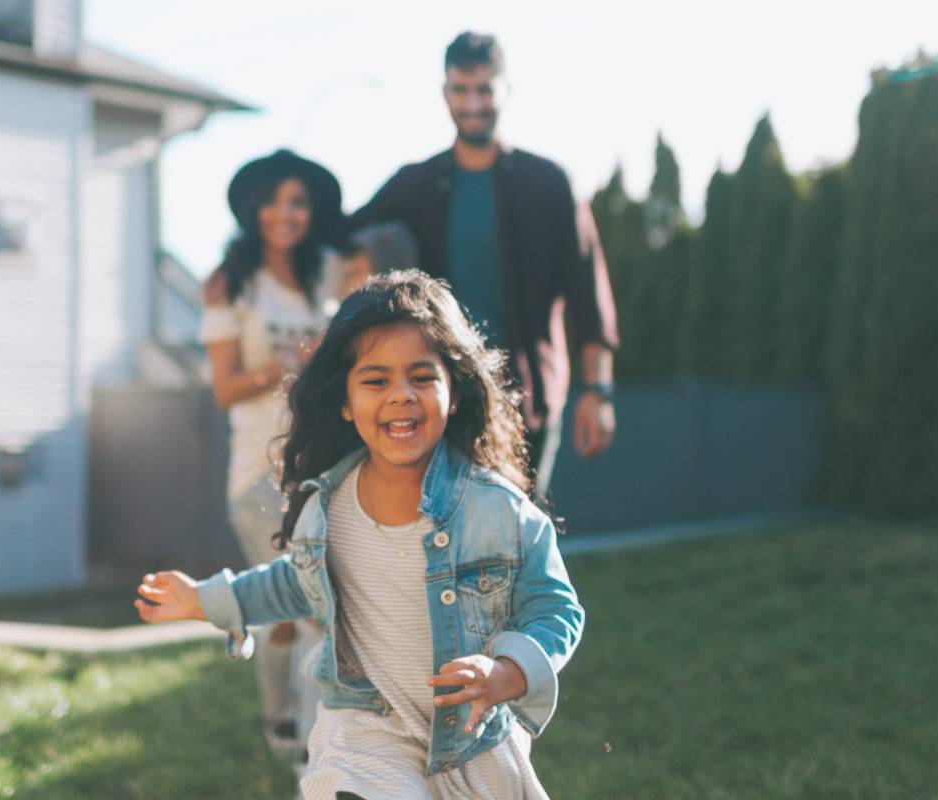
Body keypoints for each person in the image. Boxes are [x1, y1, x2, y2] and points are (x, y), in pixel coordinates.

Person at [138, 271, 584, 798]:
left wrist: (507, 671)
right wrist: (206, 599)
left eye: (422, 377)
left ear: (455, 393)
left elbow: (556, 609)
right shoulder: (329, 507)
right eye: (376, 381)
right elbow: (294, 582)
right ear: (346, 402)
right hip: (367, 729)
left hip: (471, 741)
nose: (400, 396)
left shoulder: (500, 511)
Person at [347, 31, 622, 499]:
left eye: (485, 89)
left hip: (527, 396)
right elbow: (341, 237)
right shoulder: (416, 184)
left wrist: (599, 393)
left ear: (505, 90)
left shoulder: (549, 184)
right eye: (461, 90)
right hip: (440, 398)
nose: (473, 103)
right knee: (442, 540)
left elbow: (587, 293)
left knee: (520, 538)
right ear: (445, 93)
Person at [200, 148, 350, 763]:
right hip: (257, 473)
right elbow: (225, 386)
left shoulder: (329, 273)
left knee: (325, 608)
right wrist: (290, 363)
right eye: (273, 201)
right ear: (253, 209)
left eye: (298, 202)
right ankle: (283, 724)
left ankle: (317, 748)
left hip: (322, 467)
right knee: (292, 610)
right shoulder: (228, 284)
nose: (285, 214)